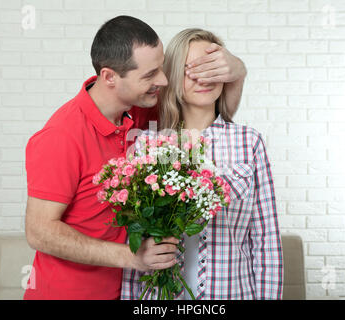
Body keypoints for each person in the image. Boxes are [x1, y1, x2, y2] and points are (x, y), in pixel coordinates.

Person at [24, 16, 247, 300]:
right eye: (150, 74)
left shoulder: (141, 108)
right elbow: (39, 232)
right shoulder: (62, 135)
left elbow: (210, 116)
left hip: (129, 294)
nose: (163, 81)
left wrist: (238, 72)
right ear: (110, 78)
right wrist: (133, 258)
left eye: (162, 69)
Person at [121, 28, 283, 300]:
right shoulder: (147, 145)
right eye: (190, 69)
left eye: (211, 68)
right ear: (172, 76)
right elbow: (133, 243)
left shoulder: (248, 142)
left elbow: (266, 241)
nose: (203, 78)